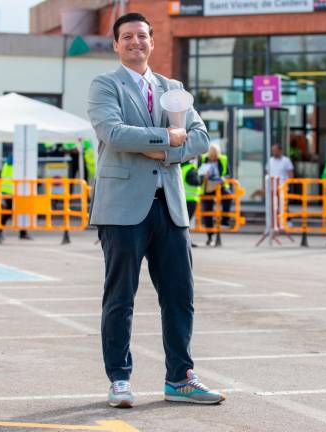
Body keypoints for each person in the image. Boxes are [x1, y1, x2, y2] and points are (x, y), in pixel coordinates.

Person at [86, 12, 223, 408]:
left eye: (142, 36)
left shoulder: (173, 88)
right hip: (122, 209)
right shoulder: (104, 85)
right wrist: (167, 137)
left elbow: (200, 138)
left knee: (180, 295)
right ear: (116, 44)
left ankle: (180, 378)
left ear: (152, 41)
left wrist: (158, 147)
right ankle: (119, 379)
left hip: (171, 207)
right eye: (126, 36)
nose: (135, 42)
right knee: (120, 298)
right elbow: (112, 133)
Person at [0, 155, 32, 244]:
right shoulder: (16, 165)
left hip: (10, 191)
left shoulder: (8, 164)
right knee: (11, 211)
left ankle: (1, 231)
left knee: (13, 211)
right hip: (12, 192)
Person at [199, 144, 231, 246]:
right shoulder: (204, 159)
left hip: (219, 184)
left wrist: (223, 178)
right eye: (212, 156)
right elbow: (198, 172)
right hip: (207, 185)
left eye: (215, 157)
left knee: (228, 197)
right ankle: (210, 236)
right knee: (207, 210)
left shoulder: (223, 159)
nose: (213, 158)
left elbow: (227, 173)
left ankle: (225, 220)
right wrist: (204, 175)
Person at [181, 158, 202, 247]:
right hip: (190, 199)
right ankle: (186, 241)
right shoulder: (191, 169)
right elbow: (196, 182)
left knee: (183, 221)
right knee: (187, 222)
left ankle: (185, 240)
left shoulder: (182, 168)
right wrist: (202, 177)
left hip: (183, 198)